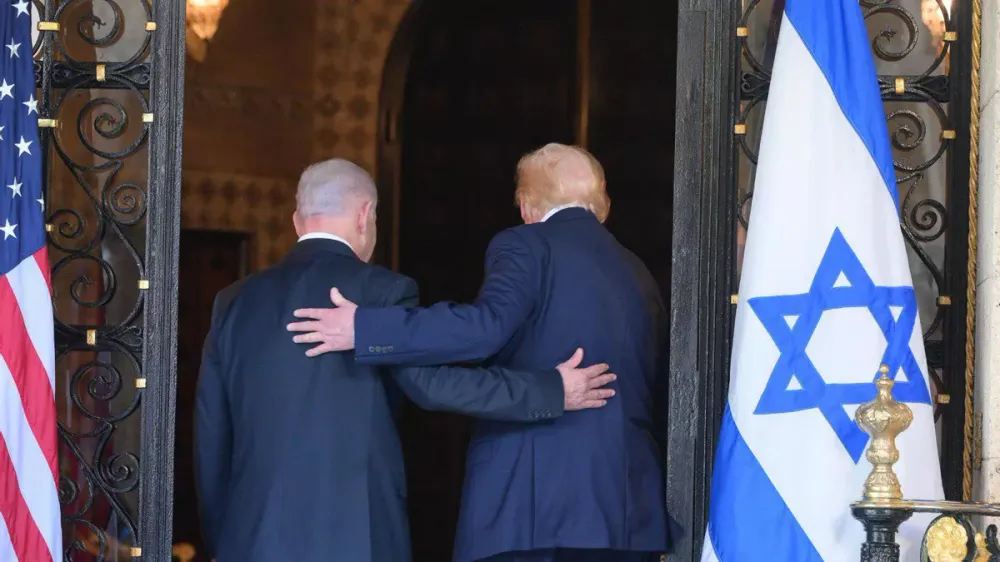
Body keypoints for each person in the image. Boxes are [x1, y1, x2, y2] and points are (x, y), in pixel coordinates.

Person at [194, 158, 618, 562]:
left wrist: (220, 537)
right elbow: (434, 386)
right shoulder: (382, 291)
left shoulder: (233, 302)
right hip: (358, 536)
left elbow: (212, 430)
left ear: (296, 221)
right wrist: (551, 390)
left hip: (250, 540)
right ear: (365, 215)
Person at [287, 144, 670, 562]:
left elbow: (484, 329)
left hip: (536, 512)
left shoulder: (527, 245)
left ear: (526, 205)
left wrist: (367, 328)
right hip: (631, 516)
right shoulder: (639, 272)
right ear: (602, 204)